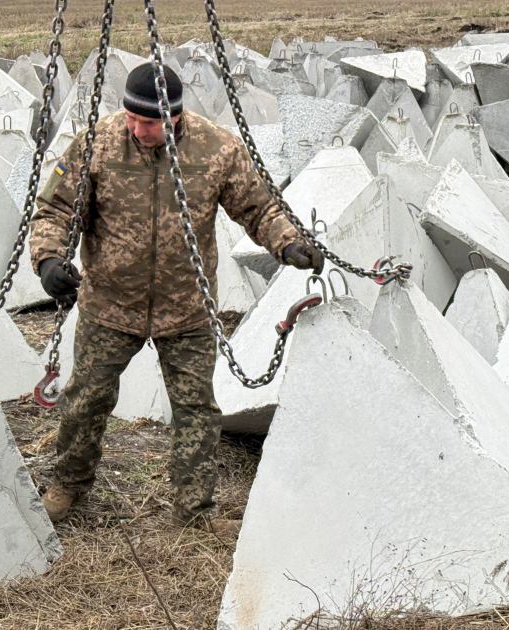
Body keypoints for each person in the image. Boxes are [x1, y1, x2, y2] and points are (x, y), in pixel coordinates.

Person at [29, 62, 323, 532]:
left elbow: (259, 206)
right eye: (131, 118)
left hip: (187, 307)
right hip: (110, 303)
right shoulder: (98, 143)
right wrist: (47, 259)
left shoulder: (216, 148)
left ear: (174, 117)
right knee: (86, 399)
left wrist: (287, 242)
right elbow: (56, 207)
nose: (137, 129)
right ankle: (68, 485)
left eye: (149, 122)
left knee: (196, 410)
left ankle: (194, 511)